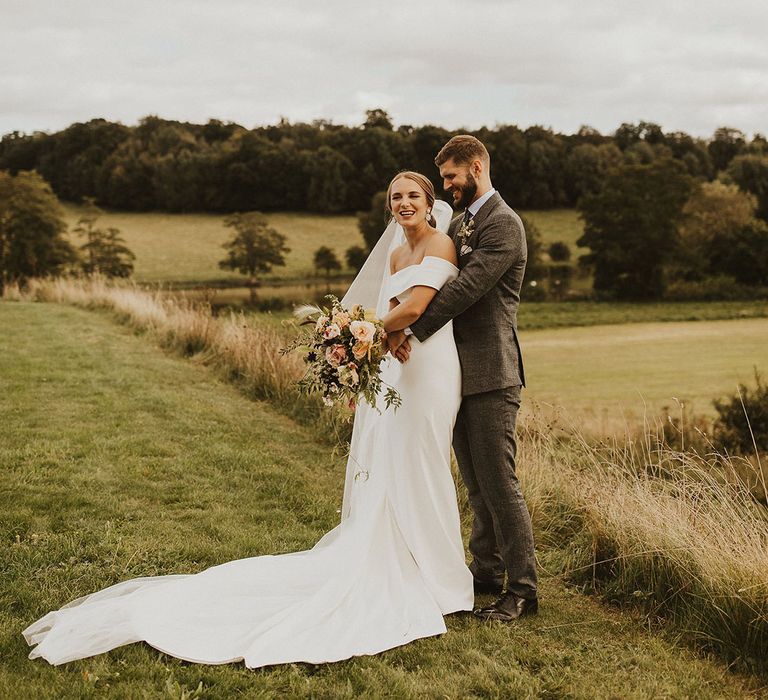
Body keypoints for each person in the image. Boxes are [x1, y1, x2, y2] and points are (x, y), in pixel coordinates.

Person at [23, 172, 474, 669]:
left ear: (429, 202)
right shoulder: (394, 254)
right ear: (388, 207)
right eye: (396, 197)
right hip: (398, 362)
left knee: (425, 462)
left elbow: (415, 306)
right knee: (395, 465)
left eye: (413, 196)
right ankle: (407, 561)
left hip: (430, 369)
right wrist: (380, 336)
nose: (404, 203)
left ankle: (439, 574)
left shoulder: (440, 245)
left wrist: (359, 330)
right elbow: (395, 307)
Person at [385, 135, 538, 621]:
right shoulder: (465, 222)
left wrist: (408, 328)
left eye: (451, 177)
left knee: (499, 481)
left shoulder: (504, 225)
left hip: (493, 371)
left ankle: (523, 590)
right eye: (444, 179)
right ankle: (485, 573)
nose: (446, 185)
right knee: (474, 481)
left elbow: (468, 289)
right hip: (454, 370)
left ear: (476, 167)